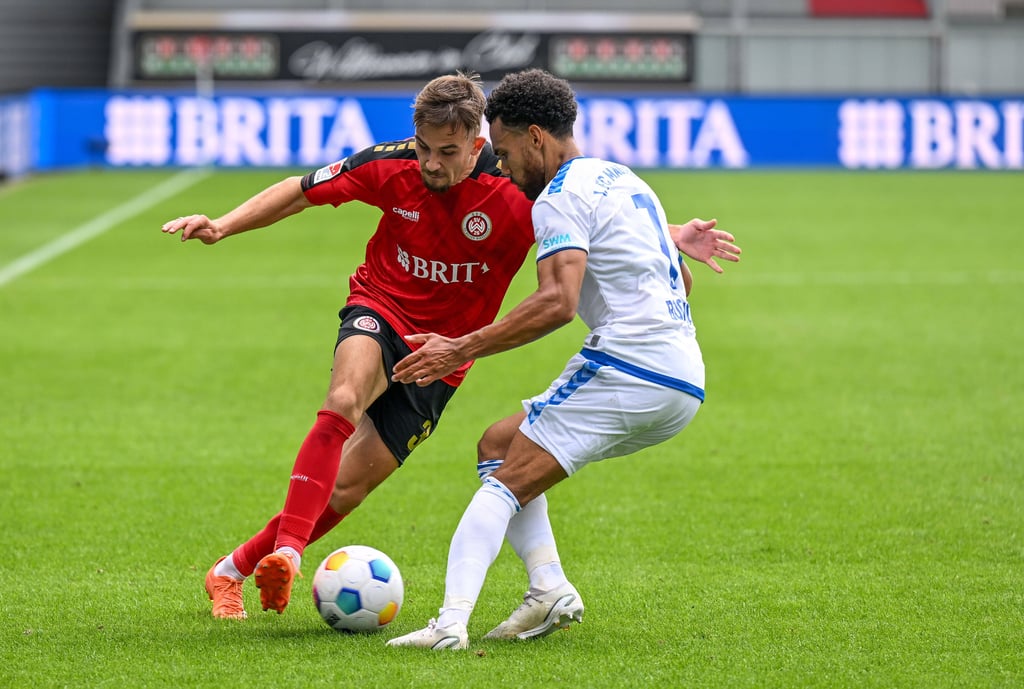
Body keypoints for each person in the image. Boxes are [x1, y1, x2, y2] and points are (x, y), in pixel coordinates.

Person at [161, 72, 740, 622]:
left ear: (478, 143)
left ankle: (230, 571)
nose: (431, 163)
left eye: (447, 152)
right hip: (381, 309)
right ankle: (287, 553)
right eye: (424, 148)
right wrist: (223, 224)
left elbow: (588, 222)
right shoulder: (390, 164)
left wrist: (669, 237)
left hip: (445, 355)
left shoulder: (516, 190)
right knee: (344, 398)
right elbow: (300, 191)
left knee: (347, 487)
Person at [387, 69, 735, 650]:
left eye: (504, 149)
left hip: (631, 367)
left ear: (535, 137)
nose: (499, 164)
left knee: (502, 484)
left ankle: (448, 624)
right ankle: (548, 586)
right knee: (498, 445)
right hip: (682, 378)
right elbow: (684, 283)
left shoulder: (559, 195)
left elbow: (556, 303)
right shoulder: (625, 181)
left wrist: (460, 345)